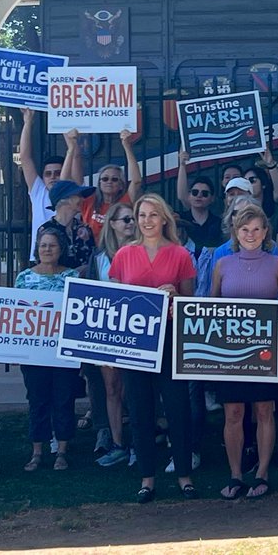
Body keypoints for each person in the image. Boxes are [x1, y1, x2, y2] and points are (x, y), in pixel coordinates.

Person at [108, 193, 198, 502]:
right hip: (135, 344)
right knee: (140, 410)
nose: (146, 221)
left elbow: (190, 302)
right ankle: (147, 478)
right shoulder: (123, 255)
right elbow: (116, 302)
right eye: (141, 215)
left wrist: (173, 295)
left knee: (177, 409)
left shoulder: (180, 254)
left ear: (164, 219)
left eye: (152, 215)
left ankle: (184, 475)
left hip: (170, 340)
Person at [211, 203, 278, 499]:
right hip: (230, 353)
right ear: (236, 231)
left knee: (263, 409)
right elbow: (212, 307)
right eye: (245, 229)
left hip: (265, 352)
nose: (251, 234)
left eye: (256, 229)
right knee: (233, 412)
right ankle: (235, 474)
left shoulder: (276, 263)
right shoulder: (222, 265)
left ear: (265, 232)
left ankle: (262, 473)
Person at [16, 230, 81, 471]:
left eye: (52, 245)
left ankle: (62, 450)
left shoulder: (72, 277)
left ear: (60, 249)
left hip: (63, 352)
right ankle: (37, 451)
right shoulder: (24, 278)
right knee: (37, 400)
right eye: (43, 245)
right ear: (37, 249)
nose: (47, 249)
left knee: (64, 399)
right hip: (33, 353)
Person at [85, 201, 133, 467]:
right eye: (125, 219)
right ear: (112, 224)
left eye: (132, 219)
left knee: (135, 390)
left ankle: (138, 442)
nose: (131, 224)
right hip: (108, 332)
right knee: (112, 388)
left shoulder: (143, 252)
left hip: (137, 331)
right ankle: (118, 443)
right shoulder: (99, 257)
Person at [63, 128, 143, 245]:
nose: (109, 182)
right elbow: (64, 184)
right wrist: (70, 149)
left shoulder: (125, 200)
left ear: (121, 185)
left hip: (118, 250)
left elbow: (136, 181)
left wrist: (126, 146)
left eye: (114, 179)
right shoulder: (88, 200)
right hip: (91, 252)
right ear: (99, 183)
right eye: (105, 179)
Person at [18, 107, 74, 261]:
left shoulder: (73, 192)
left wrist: (61, 120)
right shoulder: (38, 191)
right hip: (38, 259)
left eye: (57, 172)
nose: (53, 177)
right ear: (42, 177)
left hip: (67, 258)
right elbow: (25, 157)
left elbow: (74, 157)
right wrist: (28, 122)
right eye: (48, 174)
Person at [36, 179, 97, 272]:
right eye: (78, 195)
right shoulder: (45, 229)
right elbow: (43, 264)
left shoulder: (85, 229)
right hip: (56, 283)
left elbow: (92, 261)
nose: (83, 199)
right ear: (64, 199)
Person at [175, 169, 224, 258]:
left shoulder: (219, 223)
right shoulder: (180, 220)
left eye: (204, 193)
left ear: (212, 198)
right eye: (195, 192)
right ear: (189, 196)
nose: (199, 195)